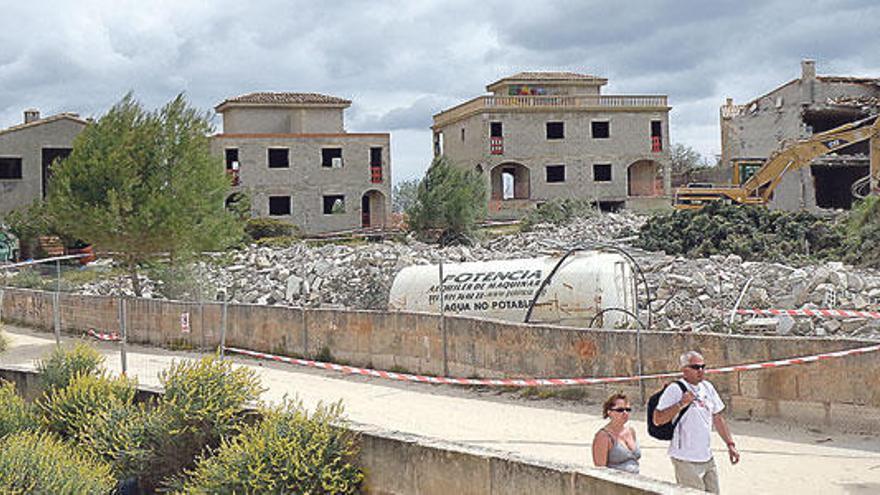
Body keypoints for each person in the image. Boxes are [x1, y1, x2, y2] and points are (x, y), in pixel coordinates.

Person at [653, 351, 740, 493]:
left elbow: (717, 417)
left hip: (707, 457)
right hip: (685, 458)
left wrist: (730, 444)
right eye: (695, 367)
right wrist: (681, 404)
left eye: (703, 367)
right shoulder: (675, 389)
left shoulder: (708, 387)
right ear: (684, 369)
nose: (700, 371)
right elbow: (658, 419)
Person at [592, 392, 641, 474]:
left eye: (628, 410)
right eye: (620, 410)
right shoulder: (603, 436)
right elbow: (600, 471)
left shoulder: (631, 431)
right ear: (609, 412)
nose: (625, 413)